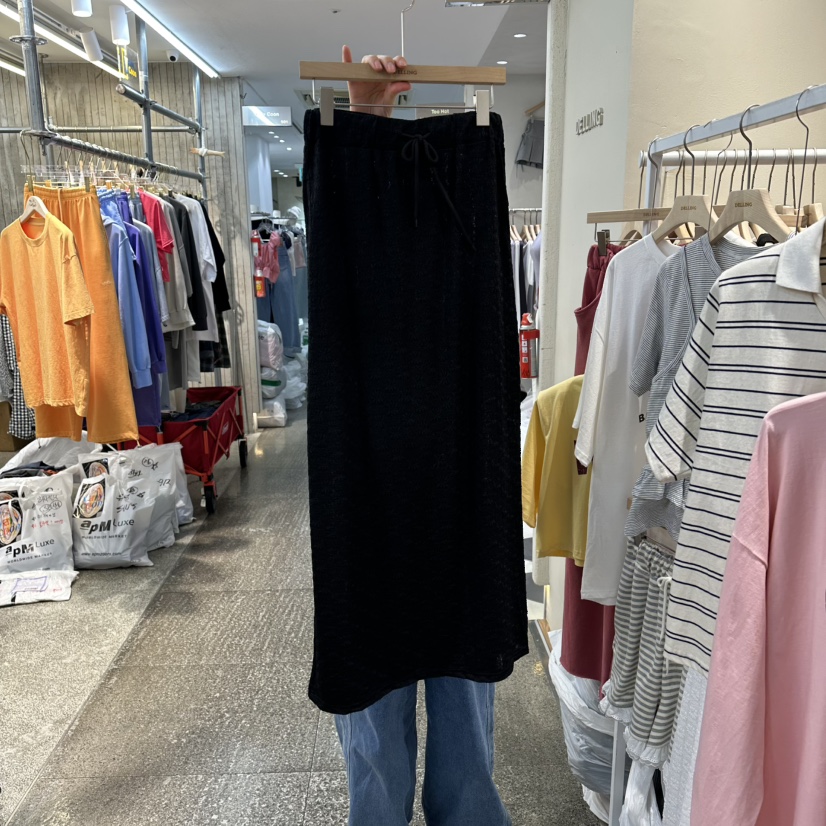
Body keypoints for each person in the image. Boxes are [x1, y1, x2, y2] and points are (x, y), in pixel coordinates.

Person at [328, 46, 514, 826]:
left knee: (463, 675)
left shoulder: (468, 195)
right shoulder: (350, 212)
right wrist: (362, 123)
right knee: (372, 667)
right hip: (367, 468)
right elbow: (343, 204)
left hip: (460, 466)